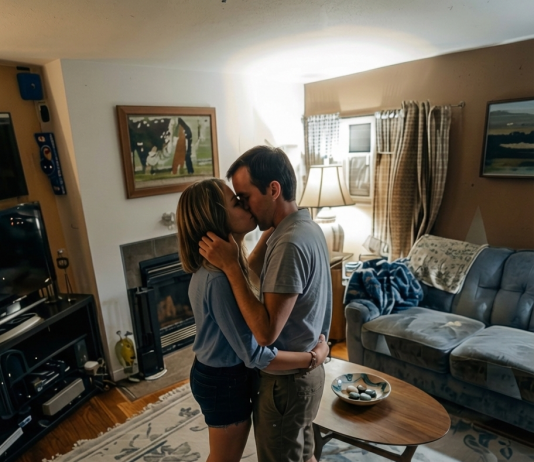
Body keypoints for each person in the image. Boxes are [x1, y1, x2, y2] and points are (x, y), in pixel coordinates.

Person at [176, 178, 329, 462]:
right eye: (237, 202)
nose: (246, 206)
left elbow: (251, 268)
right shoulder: (218, 279)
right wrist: (313, 358)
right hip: (222, 382)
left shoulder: (229, 265)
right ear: (217, 218)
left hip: (222, 374)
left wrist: (278, 213)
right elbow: (256, 355)